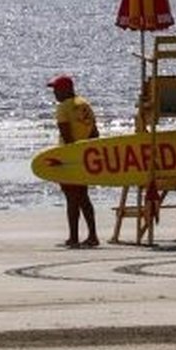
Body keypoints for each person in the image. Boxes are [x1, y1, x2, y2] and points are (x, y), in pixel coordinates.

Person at [48, 74, 99, 248]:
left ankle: (73, 238)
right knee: (83, 197)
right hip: (85, 156)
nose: (54, 93)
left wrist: (68, 158)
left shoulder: (63, 107)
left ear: (66, 89)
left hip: (70, 158)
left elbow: (66, 134)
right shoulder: (85, 104)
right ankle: (93, 236)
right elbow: (95, 134)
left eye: (56, 89)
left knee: (72, 198)